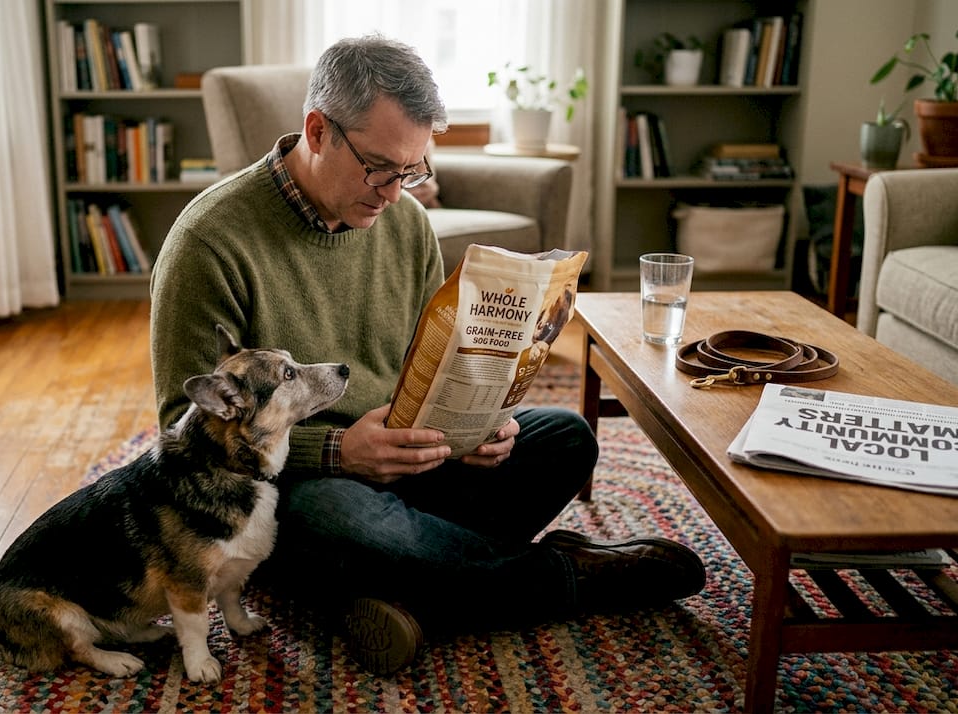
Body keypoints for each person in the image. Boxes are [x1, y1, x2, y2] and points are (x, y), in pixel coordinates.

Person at [149, 35, 706, 676]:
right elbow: (178, 430)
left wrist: (479, 417)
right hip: (295, 493)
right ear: (317, 130)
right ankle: (568, 576)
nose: (393, 192)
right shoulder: (208, 243)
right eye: (380, 167)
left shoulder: (406, 223)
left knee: (567, 439)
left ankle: (401, 595)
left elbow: (430, 358)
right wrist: (338, 451)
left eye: (412, 170)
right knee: (355, 520)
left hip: (412, 459)